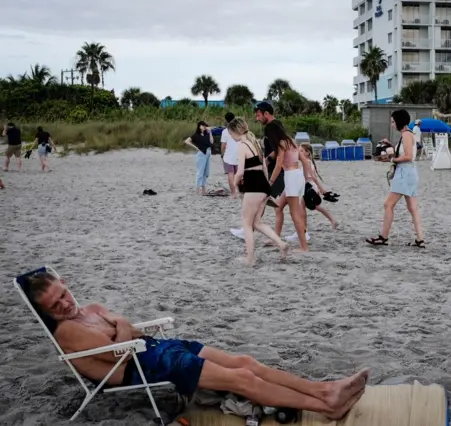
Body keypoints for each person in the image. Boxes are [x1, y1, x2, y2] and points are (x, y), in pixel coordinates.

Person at [24, 272, 369, 420]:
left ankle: (325, 390)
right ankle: (328, 407)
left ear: (66, 285)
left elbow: (123, 331)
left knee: (245, 361)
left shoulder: (91, 310)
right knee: (243, 381)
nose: (66, 305)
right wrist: (121, 327)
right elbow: (117, 351)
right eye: (55, 306)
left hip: (157, 349)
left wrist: (121, 328)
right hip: (144, 367)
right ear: (47, 313)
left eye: (64, 295)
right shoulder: (67, 332)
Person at [228, 118, 289, 265]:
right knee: (257, 223)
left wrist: (234, 187)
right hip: (263, 185)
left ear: (235, 132)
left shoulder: (242, 145)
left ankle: (250, 258)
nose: (231, 137)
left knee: (246, 223)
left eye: (231, 134)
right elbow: (264, 168)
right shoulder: (255, 143)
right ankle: (281, 244)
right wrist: (267, 187)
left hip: (253, 186)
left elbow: (240, 171)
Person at [366, 109, 425, 248]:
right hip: (410, 172)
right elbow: (405, 152)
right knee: (413, 208)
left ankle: (383, 237)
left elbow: (408, 156)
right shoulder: (408, 135)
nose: (392, 124)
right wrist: (391, 146)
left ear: (399, 121)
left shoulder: (406, 135)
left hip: (404, 173)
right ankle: (420, 239)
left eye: (393, 122)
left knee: (388, 204)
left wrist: (392, 159)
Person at [266, 121, 309, 251]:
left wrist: (270, 183)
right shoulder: (290, 140)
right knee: (278, 207)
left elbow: (279, 165)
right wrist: (305, 179)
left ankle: (304, 247)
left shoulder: (281, 143)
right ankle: (276, 238)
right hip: (297, 175)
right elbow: (304, 161)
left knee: (294, 213)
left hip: (290, 177)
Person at [298, 143, 338, 230]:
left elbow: (313, 178)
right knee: (304, 208)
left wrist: (321, 189)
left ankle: (304, 230)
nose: (299, 152)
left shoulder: (307, 163)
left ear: (308, 153)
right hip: (307, 187)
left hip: (309, 188)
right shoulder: (308, 162)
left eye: (301, 151)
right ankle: (304, 230)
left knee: (314, 207)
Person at [254, 102, 285, 203]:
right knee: (280, 205)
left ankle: (253, 219)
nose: (257, 119)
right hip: (281, 170)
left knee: (260, 201)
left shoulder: (270, 127)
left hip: (275, 171)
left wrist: (266, 162)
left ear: (266, 113)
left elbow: (276, 150)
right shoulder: (279, 124)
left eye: (259, 116)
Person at [184, 121, 214, 195]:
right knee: (200, 172)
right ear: (199, 126)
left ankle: (203, 189)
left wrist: (210, 132)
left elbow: (211, 142)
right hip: (201, 154)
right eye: (203, 126)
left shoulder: (207, 133)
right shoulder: (196, 135)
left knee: (206, 172)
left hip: (208, 153)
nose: (204, 127)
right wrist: (196, 147)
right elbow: (187, 141)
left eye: (205, 126)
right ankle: (197, 189)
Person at [221, 112, 240, 198]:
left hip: (228, 156)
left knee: (230, 174)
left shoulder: (225, 131)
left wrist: (222, 154)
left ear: (226, 120)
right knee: (239, 174)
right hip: (239, 155)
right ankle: (240, 191)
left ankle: (233, 193)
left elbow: (223, 146)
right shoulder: (240, 130)